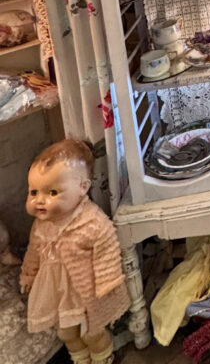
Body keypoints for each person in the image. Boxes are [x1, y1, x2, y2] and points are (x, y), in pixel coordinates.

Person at [21, 139, 130, 364]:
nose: (40, 200)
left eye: (52, 192)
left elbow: (106, 252)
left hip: (85, 289)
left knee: (92, 333)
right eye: (34, 192)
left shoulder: (91, 222)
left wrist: (107, 282)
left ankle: (103, 358)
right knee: (66, 333)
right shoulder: (41, 224)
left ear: (83, 187)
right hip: (56, 290)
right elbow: (34, 250)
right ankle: (80, 359)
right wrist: (29, 274)